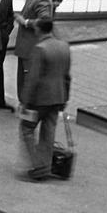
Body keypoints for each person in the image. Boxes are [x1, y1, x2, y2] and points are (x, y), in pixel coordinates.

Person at [18, 19, 70, 182]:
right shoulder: (64, 46)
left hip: (38, 101)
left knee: (26, 129)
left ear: (39, 30)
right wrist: (65, 98)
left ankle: (37, 165)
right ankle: (46, 166)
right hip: (57, 98)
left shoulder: (40, 49)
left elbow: (33, 79)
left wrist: (25, 101)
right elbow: (67, 76)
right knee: (49, 132)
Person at [13, 0, 52, 104]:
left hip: (32, 45)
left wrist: (26, 22)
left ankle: (28, 106)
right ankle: (25, 104)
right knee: (24, 78)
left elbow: (45, 21)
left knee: (28, 77)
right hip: (27, 45)